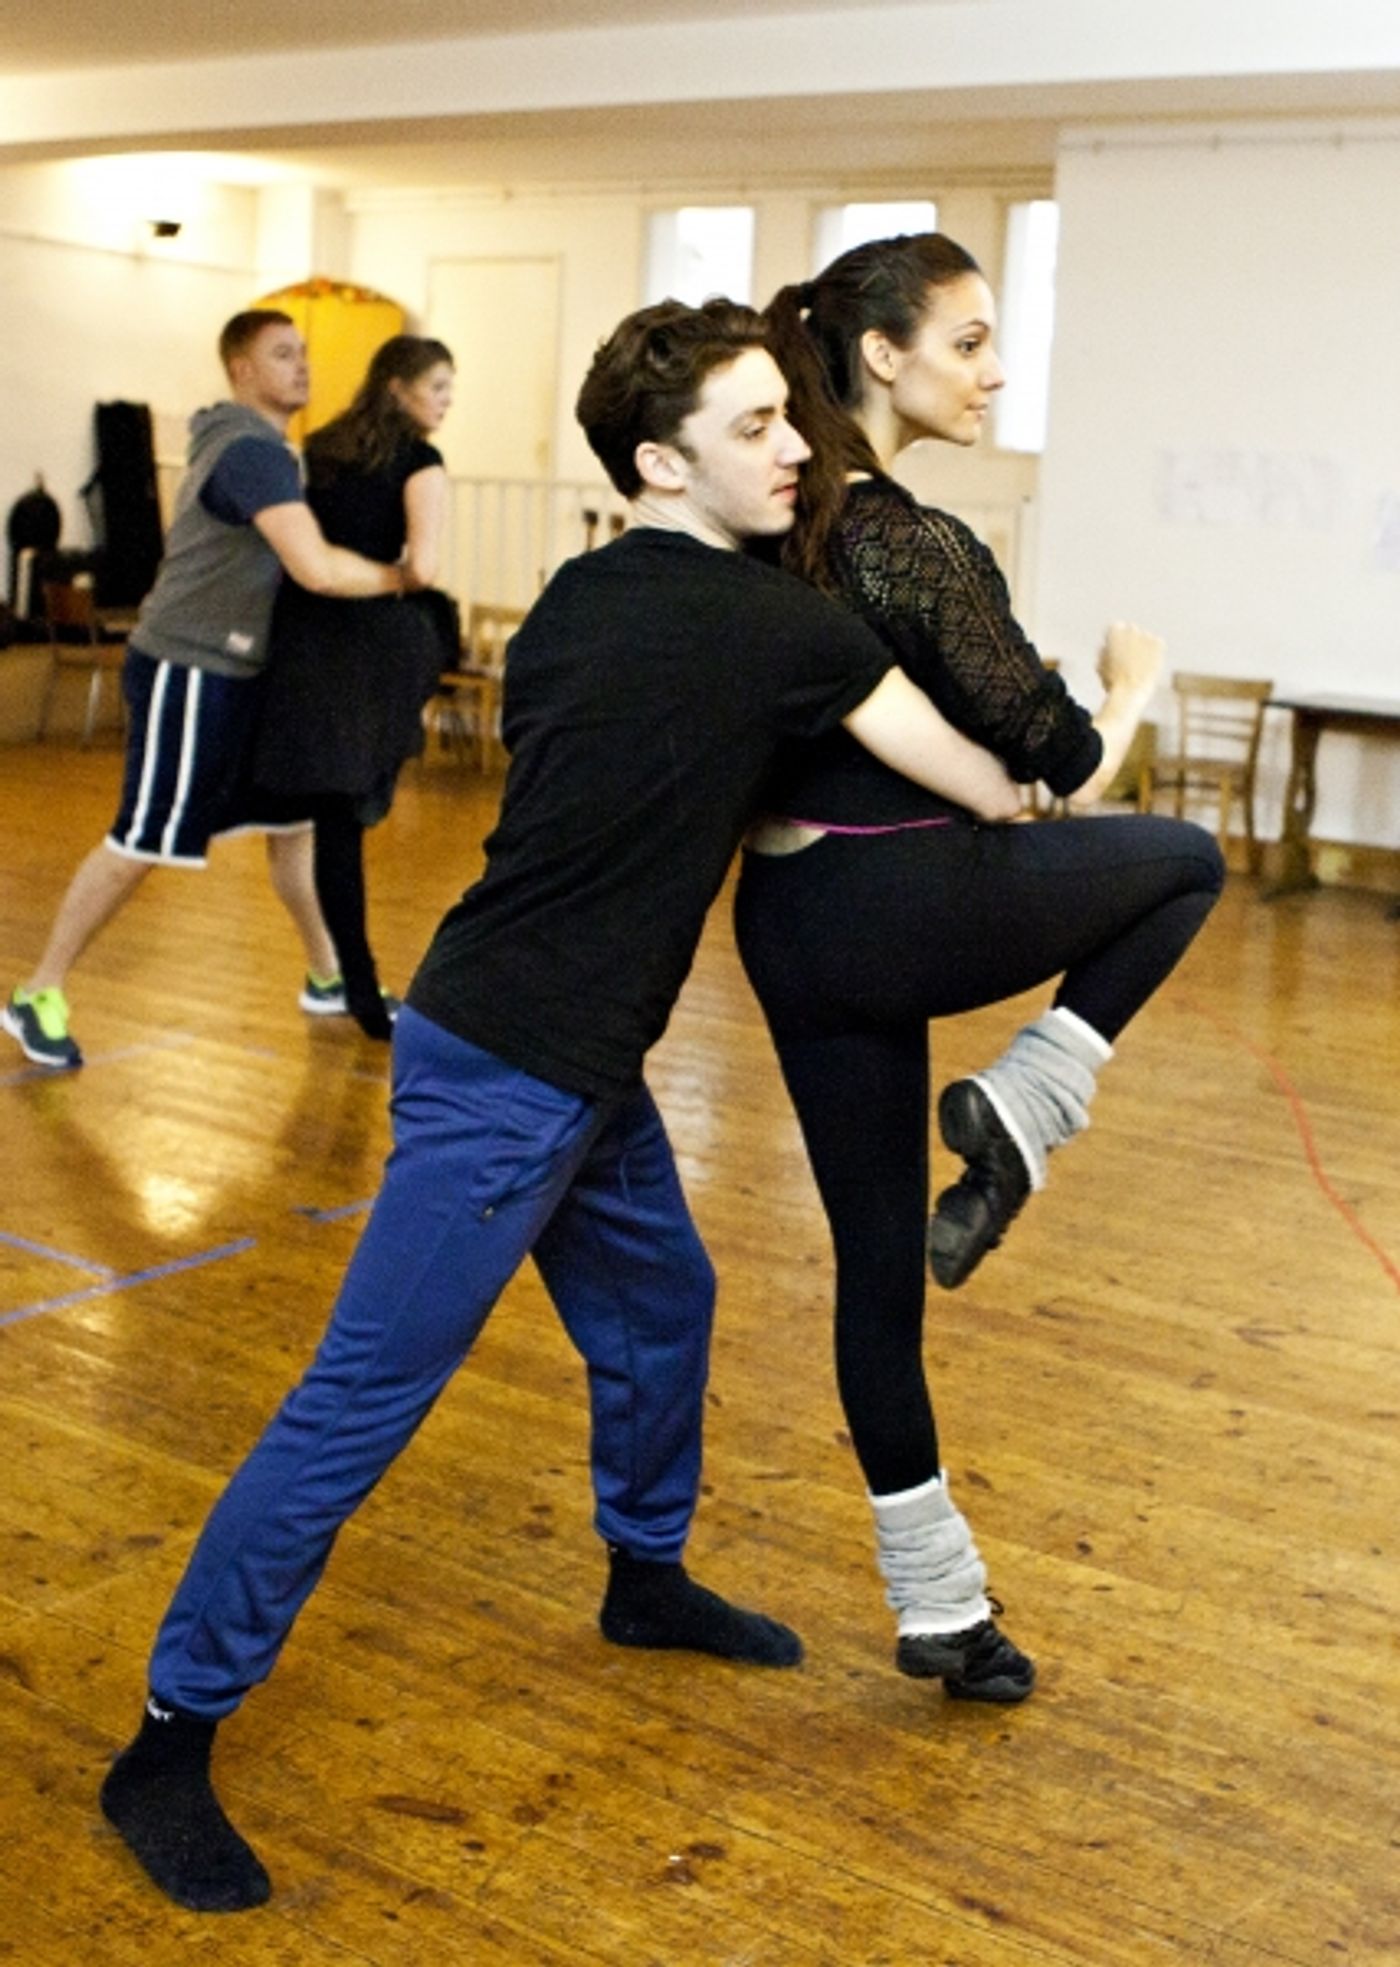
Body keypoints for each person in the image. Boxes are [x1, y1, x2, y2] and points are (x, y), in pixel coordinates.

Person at [97, 297, 1024, 1915]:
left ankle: (645, 1576)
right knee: (353, 1408)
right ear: (665, 463)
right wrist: (1049, 753)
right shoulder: (775, 632)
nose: (799, 445)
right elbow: (986, 781)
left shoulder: (589, 597)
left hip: (552, 1048)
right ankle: (167, 1738)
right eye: (756, 428)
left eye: (791, 419)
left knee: (668, 1303)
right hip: (517, 1070)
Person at [733, 232, 1225, 1696]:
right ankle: (1031, 1103)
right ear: (881, 354)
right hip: (895, 906)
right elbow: (1062, 763)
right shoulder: (904, 537)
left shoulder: (769, 518)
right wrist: (1130, 687)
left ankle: (940, 1602)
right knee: (1183, 862)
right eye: (969, 339)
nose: (996, 369)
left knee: (879, 1274)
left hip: (788, 930)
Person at [2, 310, 410, 1072]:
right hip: (189, 669)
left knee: (293, 822)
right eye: (281, 354)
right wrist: (404, 576)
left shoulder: (270, 450)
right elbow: (314, 567)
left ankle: (328, 976)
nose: (302, 367)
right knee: (142, 839)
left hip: (242, 670)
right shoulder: (249, 452)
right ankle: (38, 989)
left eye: (305, 354)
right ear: (241, 369)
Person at [253, 335, 459, 1039]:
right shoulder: (422, 462)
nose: (446, 401)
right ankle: (360, 991)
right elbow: (424, 568)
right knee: (340, 826)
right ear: (399, 387)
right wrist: (397, 577)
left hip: (298, 637)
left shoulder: (324, 446)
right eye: (438, 387)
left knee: (306, 828)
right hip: (362, 649)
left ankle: (339, 976)